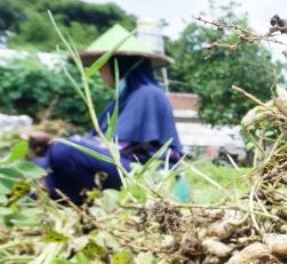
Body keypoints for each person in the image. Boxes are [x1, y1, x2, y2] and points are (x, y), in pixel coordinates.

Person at [31, 24, 183, 205]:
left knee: (64, 151)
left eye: (103, 66)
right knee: (39, 167)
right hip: (124, 170)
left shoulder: (148, 94)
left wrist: (54, 142)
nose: (101, 73)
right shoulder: (123, 99)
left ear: (116, 63)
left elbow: (117, 149)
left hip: (148, 177)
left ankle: (91, 206)